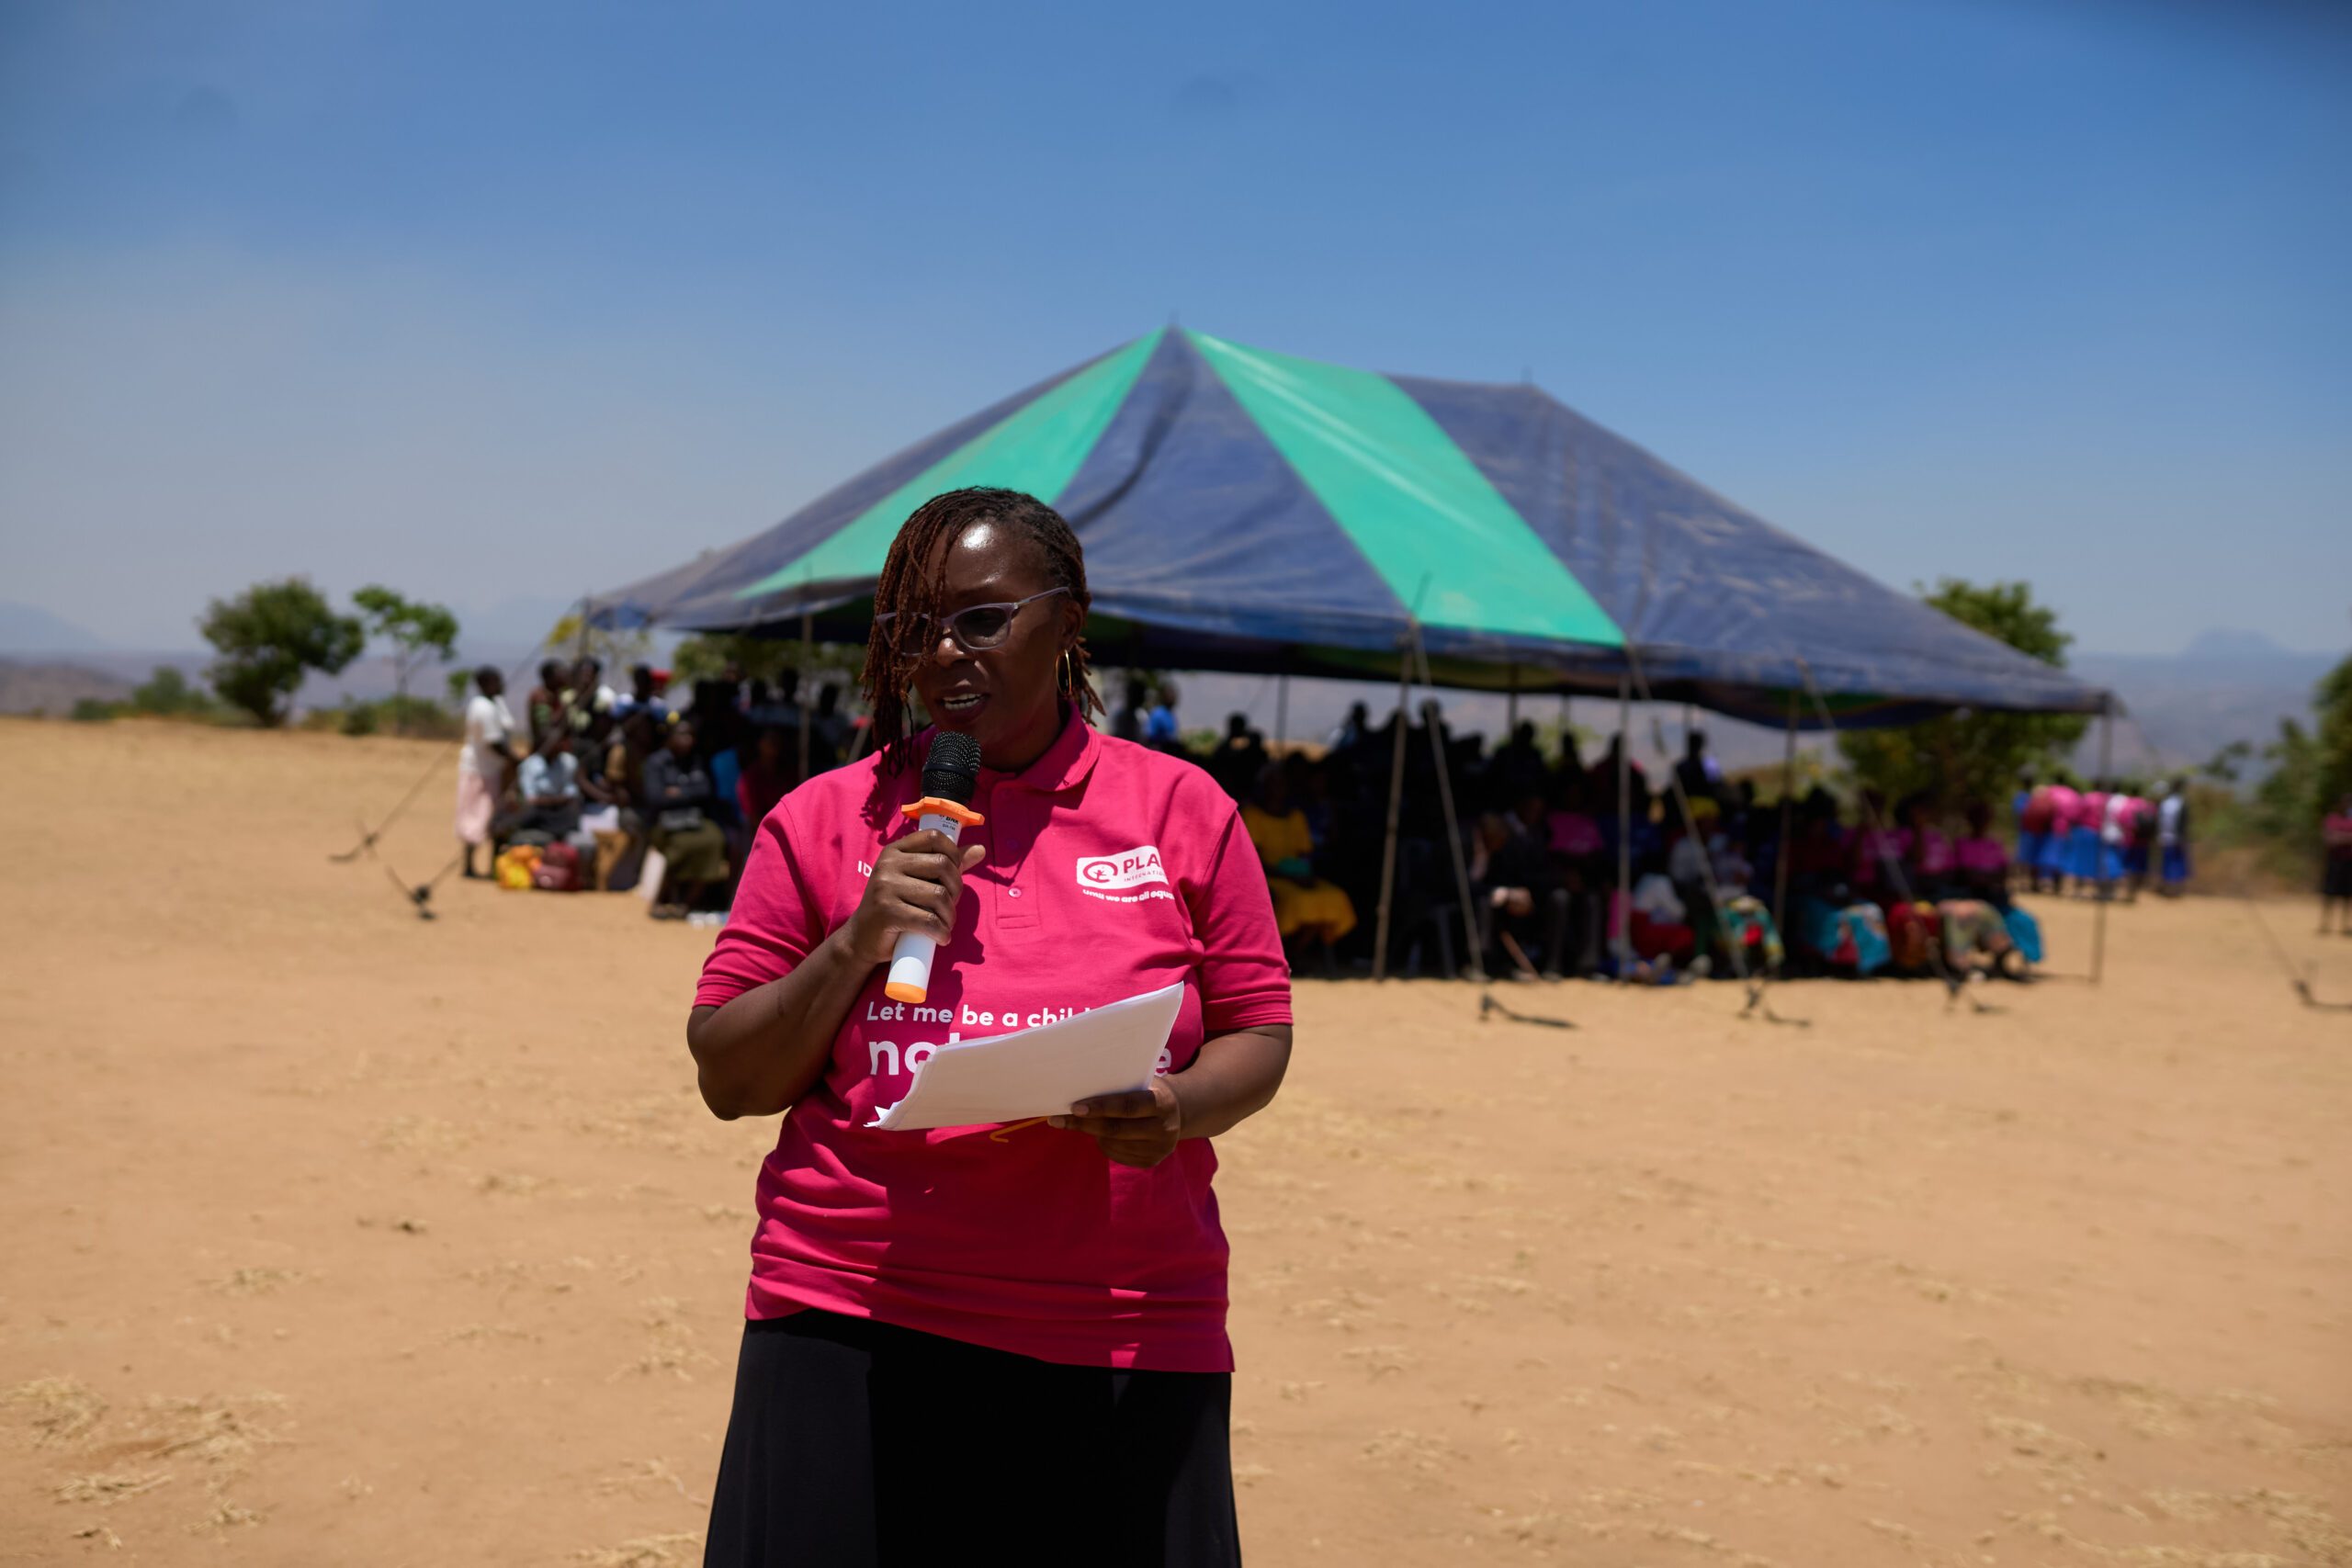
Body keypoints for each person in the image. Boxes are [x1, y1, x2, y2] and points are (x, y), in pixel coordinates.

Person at [687, 487, 1292, 1564]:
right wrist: (855, 942)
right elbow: (730, 1079)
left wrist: (1179, 1108)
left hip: (1121, 1324)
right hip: (850, 1312)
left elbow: (1258, 1032)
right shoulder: (823, 818)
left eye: (981, 618)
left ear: (1068, 621)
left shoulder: (1182, 811)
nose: (943, 654)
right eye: (915, 627)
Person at [1241, 761, 1357, 972]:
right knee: (1294, 902)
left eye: (1282, 784)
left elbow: (1304, 855)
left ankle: (1295, 953)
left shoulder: (1296, 816)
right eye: (1273, 783)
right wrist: (1289, 877)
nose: (1278, 789)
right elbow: (1252, 860)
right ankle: (1286, 955)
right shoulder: (1252, 815)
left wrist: (1304, 875)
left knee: (1332, 897)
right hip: (1268, 878)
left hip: (1299, 877)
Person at [641, 719, 729, 919]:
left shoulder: (696, 761)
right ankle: (659, 899)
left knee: (714, 839)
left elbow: (705, 791)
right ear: (670, 737)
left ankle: (686, 903)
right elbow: (656, 798)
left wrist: (677, 792)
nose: (687, 740)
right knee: (681, 846)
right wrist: (689, 793)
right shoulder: (656, 763)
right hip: (663, 822)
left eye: (690, 735)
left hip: (693, 819)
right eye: (682, 735)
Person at [456, 666, 518, 879]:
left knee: (496, 817)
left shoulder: (497, 704)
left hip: (496, 771)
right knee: (475, 817)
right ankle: (469, 866)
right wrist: (516, 760)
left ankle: (494, 867)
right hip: (479, 771)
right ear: (485, 684)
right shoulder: (482, 707)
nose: (502, 685)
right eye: (497, 681)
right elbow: (494, 742)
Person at [513, 726, 597, 864]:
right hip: (540, 811)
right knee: (528, 811)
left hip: (561, 810)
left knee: (573, 808)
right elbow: (531, 798)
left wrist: (550, 800)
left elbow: (571, 793)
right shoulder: (529, 765)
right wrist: (556, 800)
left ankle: (561, 836)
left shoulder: (569, 762)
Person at [2323, 792, 2352, 935]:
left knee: (2348, 895)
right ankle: (2326, 924)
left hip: (2349, 862)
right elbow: (2330, 838)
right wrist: (2347, 837)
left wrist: (2339, 836)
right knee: (2330, 893)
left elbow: (2335, 837)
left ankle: (2345, 925)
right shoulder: (2332, 818)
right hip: (2335, 862)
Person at [2157, 778, 2192, 897]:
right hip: (2177, 839)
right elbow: (2184, 823)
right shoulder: (2181, 803)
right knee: (2177, 863)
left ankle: (2168, 888)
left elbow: (2160, 821)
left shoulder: (2165, 803)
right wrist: (2183, 838)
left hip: (2165, 837)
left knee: (2167, 863)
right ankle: (2175, 889)